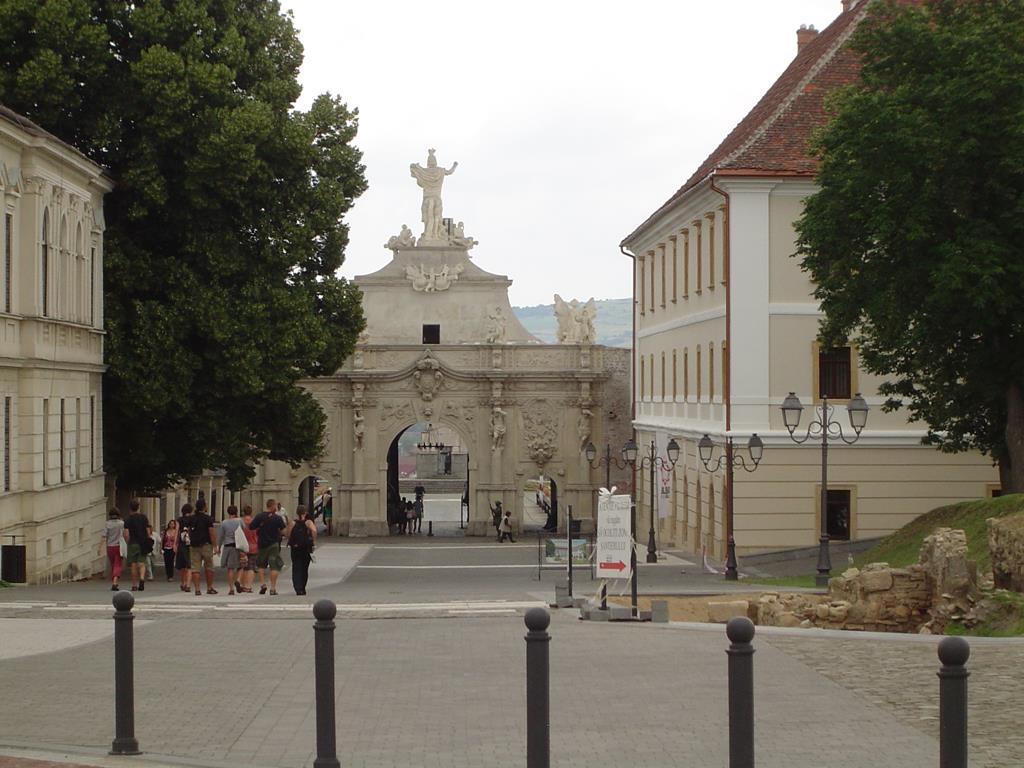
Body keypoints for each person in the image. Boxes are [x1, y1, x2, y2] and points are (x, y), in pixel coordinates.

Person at [250, 498, 286, 595]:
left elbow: (251, 526)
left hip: (262, 544)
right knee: (274, 566)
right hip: (274, 544)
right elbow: (284, 531)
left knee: (261, 565)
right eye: (275, 505)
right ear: (272, 506)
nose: (276, 507)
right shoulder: (277, 518)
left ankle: (263, 584)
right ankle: (273, 588)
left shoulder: (259, 516)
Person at [187, 498, 217, 595]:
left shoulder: (192, 518)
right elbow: (211, 532)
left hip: (194, 545)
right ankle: (209, 587)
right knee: (209, 566)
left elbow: (189, 531)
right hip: (206, 545)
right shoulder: (208, 518)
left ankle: (197, 589)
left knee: (195, 568)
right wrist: (215, 545)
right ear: (204, 507)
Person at [286, 504, 317, 595]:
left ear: (297, 512)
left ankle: (297, 587)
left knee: (296, 567)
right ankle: (303, 587)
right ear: (305, 512)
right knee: (304, 568)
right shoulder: (308, 522)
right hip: (306, 547)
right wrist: (313, 541)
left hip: (295, 548)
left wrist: (291, 539)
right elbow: (314, 531)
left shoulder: (293, 523)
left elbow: (288, 534)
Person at [123, 499, 152, 592]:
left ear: (130, 508)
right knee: (142, 563)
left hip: (133, 543)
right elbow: (148, 531)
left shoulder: (128, 519)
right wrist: (148, 539)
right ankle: (142, 579)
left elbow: (126, 534)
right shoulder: (144, 517)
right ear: (138, 507)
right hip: (143, 543)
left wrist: (128, 542)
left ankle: (134, 585)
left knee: (134, 564)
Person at [217, 505, 243, 595]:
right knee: (242, 565)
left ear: (228, 512)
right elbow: (244, 531)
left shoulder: (224, 523)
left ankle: (231, 588)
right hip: (238, 546)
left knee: (230, 568)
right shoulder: (239, 521)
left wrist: (218, 547)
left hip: (227, 546)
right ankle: (238, 580)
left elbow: (220, 536)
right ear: (236, 512)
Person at [99, 508, 124, 591]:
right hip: (119, 546)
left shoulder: (107, 524)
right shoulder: (121, 523)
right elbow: (124, 534)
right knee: (118, 564)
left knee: (113, 564)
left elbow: (104, 536)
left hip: (110, 547)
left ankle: (114, 581)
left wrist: (99, 547)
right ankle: (115, 582)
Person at [238, 506, 259, 593]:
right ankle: (248, 586)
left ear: (243, 512)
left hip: (243, 546)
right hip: (253, 546)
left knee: (243, 566)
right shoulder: (254, 522)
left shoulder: (240, 522)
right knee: (251, 567)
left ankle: (242, 585)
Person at [176, 503, 193, 592]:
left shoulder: (179, 520)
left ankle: (183, 583)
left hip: (182, 544)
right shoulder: (193, 519)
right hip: (191, 543)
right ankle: (188, 584)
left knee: (182, 565)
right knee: (189, 565)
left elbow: (177, 532)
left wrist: (175, 544)